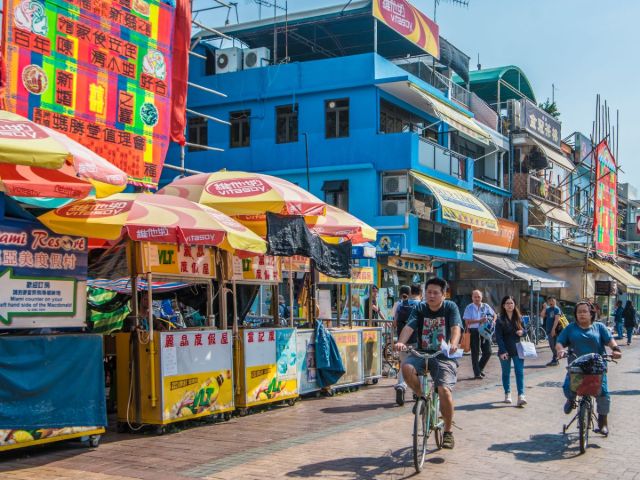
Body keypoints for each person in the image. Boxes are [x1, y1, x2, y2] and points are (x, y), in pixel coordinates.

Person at [395, 277, 463, 449]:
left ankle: (448, 432)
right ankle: (423, 398)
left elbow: (456, 327)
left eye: (435, 293)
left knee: (443, 390)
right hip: (422, 352)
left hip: (444, 355)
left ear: (443, 295)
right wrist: (401, 342)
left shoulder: (450, 307)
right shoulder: (420, 308)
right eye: (428, 292)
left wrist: (454, 343)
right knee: (406, 367)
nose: (431, 296)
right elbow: (409, 327)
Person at [556, 301, 622, 436]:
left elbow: (610, 341)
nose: (581, 314)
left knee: (603, 393)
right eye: (579, 312)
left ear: (591, 314)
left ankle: (603, 422)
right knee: (568, 386)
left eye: (584, 311)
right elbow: (559, 342)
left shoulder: (599, 327)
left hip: (596, 367)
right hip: (576, 367)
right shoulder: (570, 328)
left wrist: (616, 349)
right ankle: (571, 399)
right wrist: (560, 350)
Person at [495, 296, 527, 406]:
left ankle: (521, 396)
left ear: (514, 305)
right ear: (503, 306)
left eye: (511, 303)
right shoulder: (500, 320)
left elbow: (526, 331)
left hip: (518, 349)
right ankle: (507, 394)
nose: (510, 305)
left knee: (519, 372)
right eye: (507, 303)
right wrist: (503, 351)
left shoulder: (519, 318)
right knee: (506, 373)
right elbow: (498, 337)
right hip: (504, 350)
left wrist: (522, 332)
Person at [392, 285, 420, 406]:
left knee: (404, 364)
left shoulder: (401, 304)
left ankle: (401, 386)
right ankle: (416, 392)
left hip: (402, 341)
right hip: (417, 341)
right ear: (421, 293)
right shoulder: (422, 305)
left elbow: (394, 322)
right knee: (417, 367)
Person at [462, 290, 496, 379]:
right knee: (475, 352)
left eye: (479, 297)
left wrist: (493, 321)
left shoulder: (486, 306)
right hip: (474, 331)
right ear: (472, 297)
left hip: (485, 331)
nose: (477, 298)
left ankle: (479, 368)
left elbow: (494, 315)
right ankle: (477, 373)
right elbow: (467, 322)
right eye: (475, 297)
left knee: (488, 352)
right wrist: (479, 321)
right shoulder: (469, 307)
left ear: (482, 297)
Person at [540, 297, 561, 366]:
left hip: (554, 330)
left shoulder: (556, 309)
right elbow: (542, 316)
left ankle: (555, 359)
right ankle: (556, 358)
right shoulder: (548, 309)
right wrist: (544, 308)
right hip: (549, 330)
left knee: (553, 345)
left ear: (555, 301)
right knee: (552, 345)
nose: (551, 302)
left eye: (552, 300)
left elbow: (556, 320)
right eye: (550, 301)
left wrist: (553, 329)